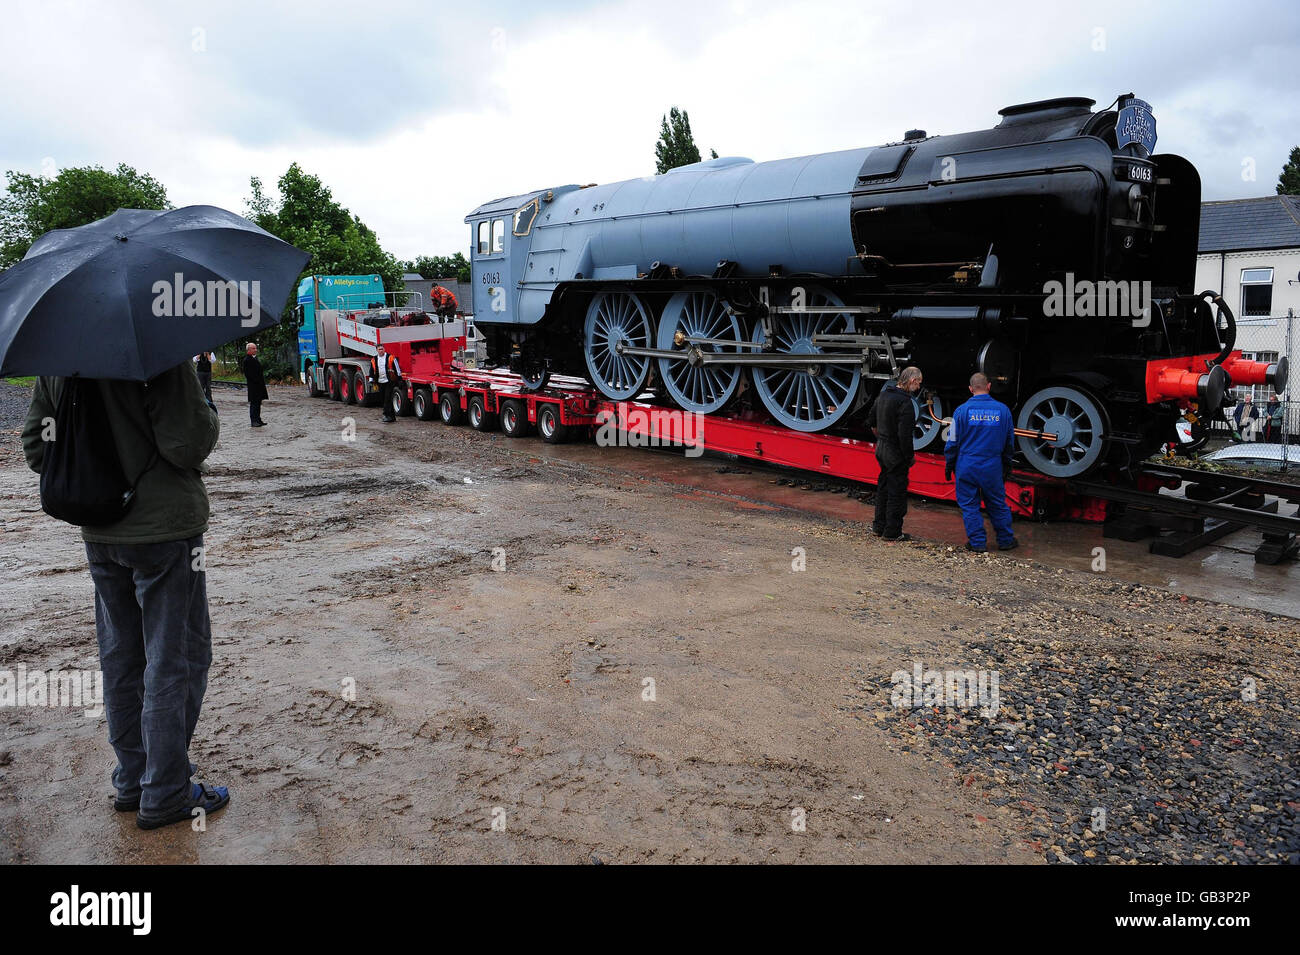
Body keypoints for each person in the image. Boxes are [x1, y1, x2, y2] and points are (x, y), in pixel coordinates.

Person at [22, 362, 229, 829]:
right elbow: (188, 442)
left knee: (120, 657)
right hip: (164, 531)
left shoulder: (60, 359)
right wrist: (206, 405)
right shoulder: (157, 356)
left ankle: (133, 780)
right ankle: (166, 792)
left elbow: (38, 448)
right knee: (177, 659)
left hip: (99, 531)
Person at [944, 372, 1018, 552]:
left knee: (969, 505)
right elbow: (1009, 442)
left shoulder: (961, 411)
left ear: (970, 389)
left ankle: (977, 543)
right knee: (997, 503)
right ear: (989, 386)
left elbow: (952, 442)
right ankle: (1006, 540)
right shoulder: (1003, 411)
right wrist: (1007, 463)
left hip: (966, 464)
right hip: (992, 465)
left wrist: (949, 464)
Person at [873, 366, 923, 541]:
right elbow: (905, 435)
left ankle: (878, 526)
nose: (918, 388)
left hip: (881, 448)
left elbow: (872, 422)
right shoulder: (905, 402)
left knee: (883, 488)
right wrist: (909, 457)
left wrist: (882, 439)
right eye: (918, 383)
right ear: (912, 381)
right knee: (897, 492)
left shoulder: (883, 395)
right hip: (895, 453)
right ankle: (892, 532)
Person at [371, 344, 403, 423]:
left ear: (384, 349)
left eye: (382, 349)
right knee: (383, 399)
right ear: (376, 350)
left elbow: (397, 368)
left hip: (389, 382)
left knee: (387, 399)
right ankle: (392, 417)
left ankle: (386, 415)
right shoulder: (374, 359)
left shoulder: (391, 357)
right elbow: (371, 370)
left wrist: (399, 379)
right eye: (379, 349)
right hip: (380, 382)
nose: (381, 350)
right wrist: (372, 381)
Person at [242, 342, 267, 427]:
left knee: (258, 403)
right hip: (253, 386)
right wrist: (256, 381)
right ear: (248, 350)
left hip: (259, 385)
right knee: (254, 403)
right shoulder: (247, 360)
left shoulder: (255, 358)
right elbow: (248, 374)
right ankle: (254, 421)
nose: (255, 350)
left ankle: (258, 419)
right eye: (253, 348)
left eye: (256, 348)